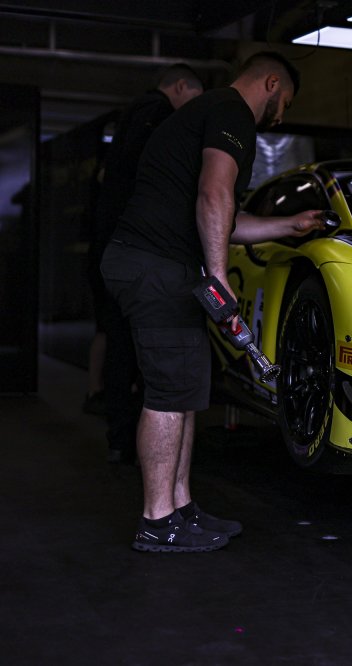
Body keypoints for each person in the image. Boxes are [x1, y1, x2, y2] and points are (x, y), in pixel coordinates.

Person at [101, 52, 325, 552]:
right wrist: (219, 278)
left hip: (163, 265)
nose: (281, 116)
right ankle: (157, 521)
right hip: (154, 264)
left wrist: (290, 225)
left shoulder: (211, 112)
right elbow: (213, 195)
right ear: (271, 83)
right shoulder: (231, 112)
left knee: (184, 390)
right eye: (285, 103)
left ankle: (180, 508)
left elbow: (223, 216)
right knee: (167, 392)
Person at [86, 64, 205, 464]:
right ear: (181, 86)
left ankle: (120, 438)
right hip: (139, 249)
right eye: (193, 99)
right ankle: (137, 442)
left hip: (111, 247)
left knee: (119, 343)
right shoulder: (158, 116)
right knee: (144, 354)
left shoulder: (128, 120)